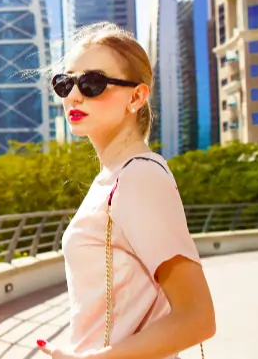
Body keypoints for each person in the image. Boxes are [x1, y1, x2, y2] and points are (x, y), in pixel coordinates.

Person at [35, 22, 216, 358]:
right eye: (65, 83)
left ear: (136, 96)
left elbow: (197, 317)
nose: (74, 95)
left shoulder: (139, 178)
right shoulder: (114, 176)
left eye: (92, 83)